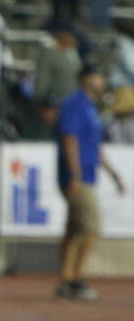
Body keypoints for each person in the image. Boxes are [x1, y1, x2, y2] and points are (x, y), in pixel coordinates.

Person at [55, 63, 125, 301]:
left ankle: (67, 279)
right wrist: (74, 175)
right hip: (78, 177)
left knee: (75, 229)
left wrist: (112, 173)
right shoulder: (75, 104)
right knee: (91, 227)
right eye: (98, 76)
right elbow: (70, 140)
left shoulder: (90, 107)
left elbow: (94, 147)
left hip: (86, 175)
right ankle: (75, 279)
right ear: (86, 78)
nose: (102, 81)